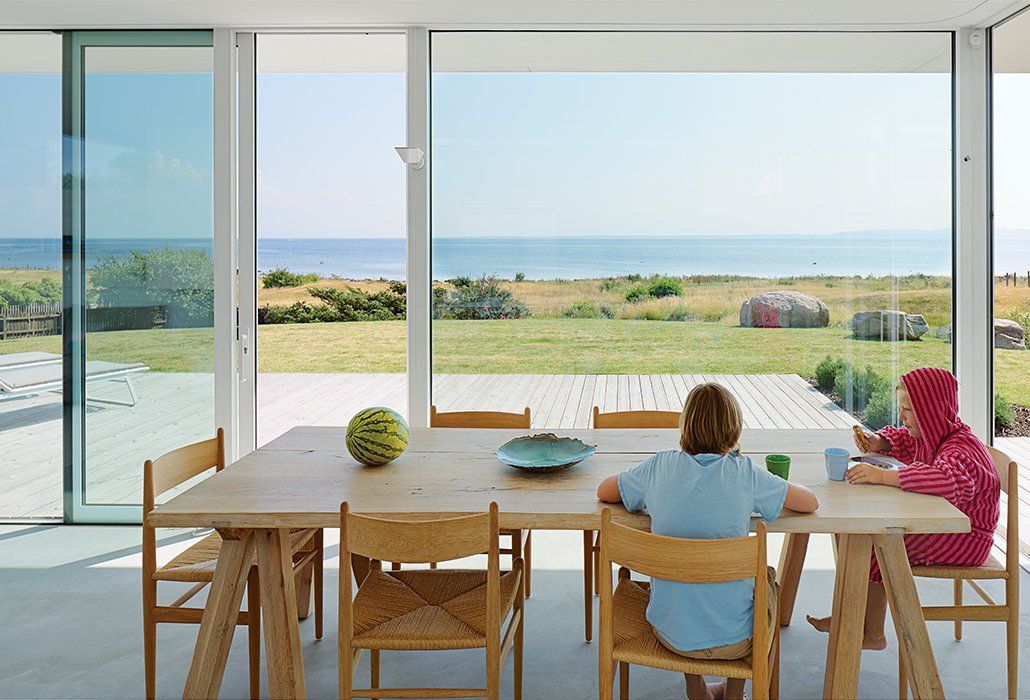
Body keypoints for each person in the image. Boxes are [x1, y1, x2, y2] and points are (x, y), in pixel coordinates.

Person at [597, 383, 819, 700]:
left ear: (685, 426)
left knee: (686, 578)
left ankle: (696, 688)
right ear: (734, 428)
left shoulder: (659, 466)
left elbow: (604, 492)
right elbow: (809, 502)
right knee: (765, 580)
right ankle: (733, 691)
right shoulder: (746, 474)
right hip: (739, 640)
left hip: (671, 633)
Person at [807, 367, 1000, 650]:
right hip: (949, 528)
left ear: (932, 410)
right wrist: (880, 441)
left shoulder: (960, 449)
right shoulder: (933, 437)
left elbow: (948, 481)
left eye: (909, 410)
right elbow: (906, 440)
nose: (902, 416)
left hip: (968, 538)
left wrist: (883, 475)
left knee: (879, 542)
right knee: (854, 534)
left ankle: (872, 632)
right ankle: (853, 617)